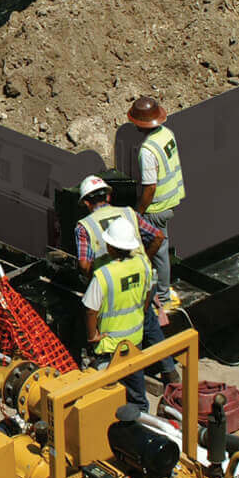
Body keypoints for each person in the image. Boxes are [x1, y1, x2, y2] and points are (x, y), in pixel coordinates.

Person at [75, 174, 179, 386]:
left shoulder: (84, 227)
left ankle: (117, 374)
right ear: (108, 197)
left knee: (112, 329)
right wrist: (144, 260)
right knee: (147, 320)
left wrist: (94, 279)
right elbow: (158, 236)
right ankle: (169, 371)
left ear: (86, 202)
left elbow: (84, 265)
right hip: (142, 278)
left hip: (111, 285)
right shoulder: (128, 213)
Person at [81, 216, 152, 412]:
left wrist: (92, 335)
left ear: (111, 247)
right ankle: (142, 420)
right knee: (137, 392)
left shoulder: (104, 274)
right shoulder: (143, 264)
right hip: (134, 339)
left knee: (101, 394)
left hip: (109, 345)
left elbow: (90, 309)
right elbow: (148, 294)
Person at [128, 96, 185, 317]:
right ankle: (162, 290)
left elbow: (150, 187)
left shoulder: (147, 151)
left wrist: (138, 212)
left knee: (156, 252)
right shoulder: (167, 135)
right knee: (162, 248)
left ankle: (161, 296)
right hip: (170, 202)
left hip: (156, 208)